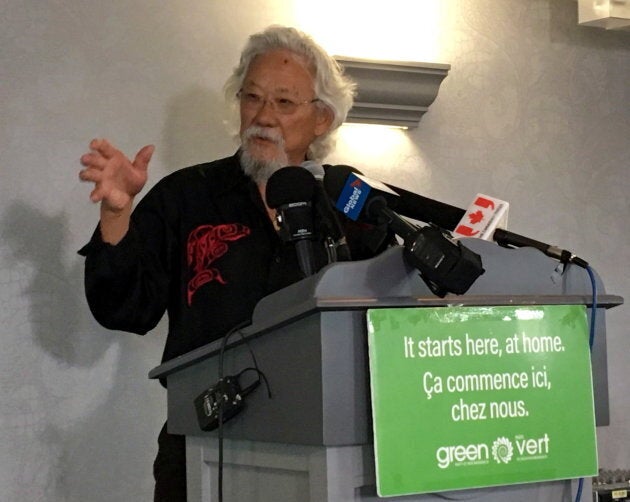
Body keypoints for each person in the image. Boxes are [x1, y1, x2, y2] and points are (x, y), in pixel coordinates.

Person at [78, 25, 388, 501]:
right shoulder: (188, 195)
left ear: (321, 119)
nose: (263, 116)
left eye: (284, 103)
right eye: (252, 98)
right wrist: (117, 214)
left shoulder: (349, 203)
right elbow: (124, 308)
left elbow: (392, 315)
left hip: (327, 450)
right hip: (203, 444)